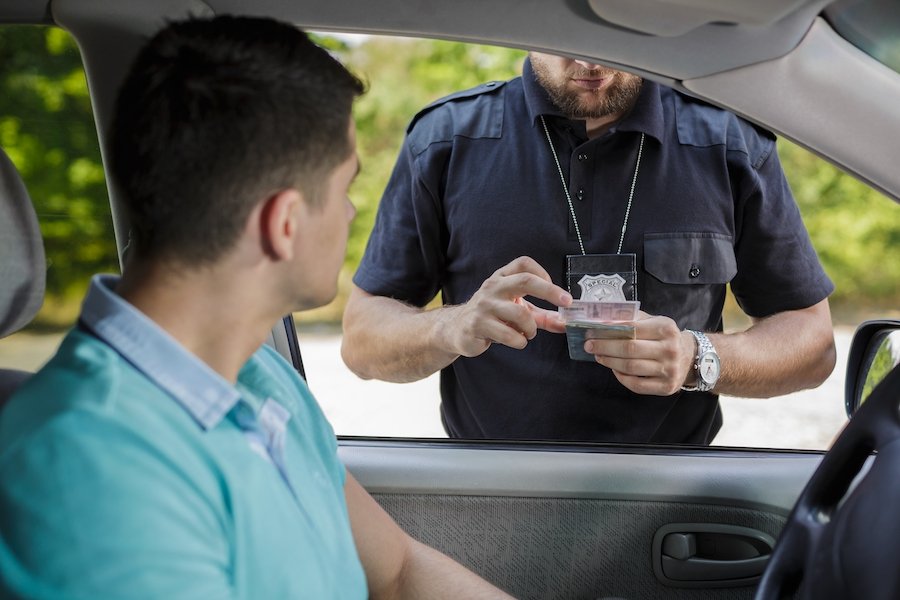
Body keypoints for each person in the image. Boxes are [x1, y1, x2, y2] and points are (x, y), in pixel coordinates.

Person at [0, 16, 514, 599]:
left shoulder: (257, 373)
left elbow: (396, 570)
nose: (349, 213)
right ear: (284, 223)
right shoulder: (89, 470)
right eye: (345, 186)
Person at [341, 52, 836, 445]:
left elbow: (812, 344)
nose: (589, 65)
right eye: (565, 40)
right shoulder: (446, 139)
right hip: (491, 486)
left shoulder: (729, 143)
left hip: (672, 498)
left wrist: (695, 357)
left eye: (607, 41)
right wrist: (451, 325)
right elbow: (362, 340)